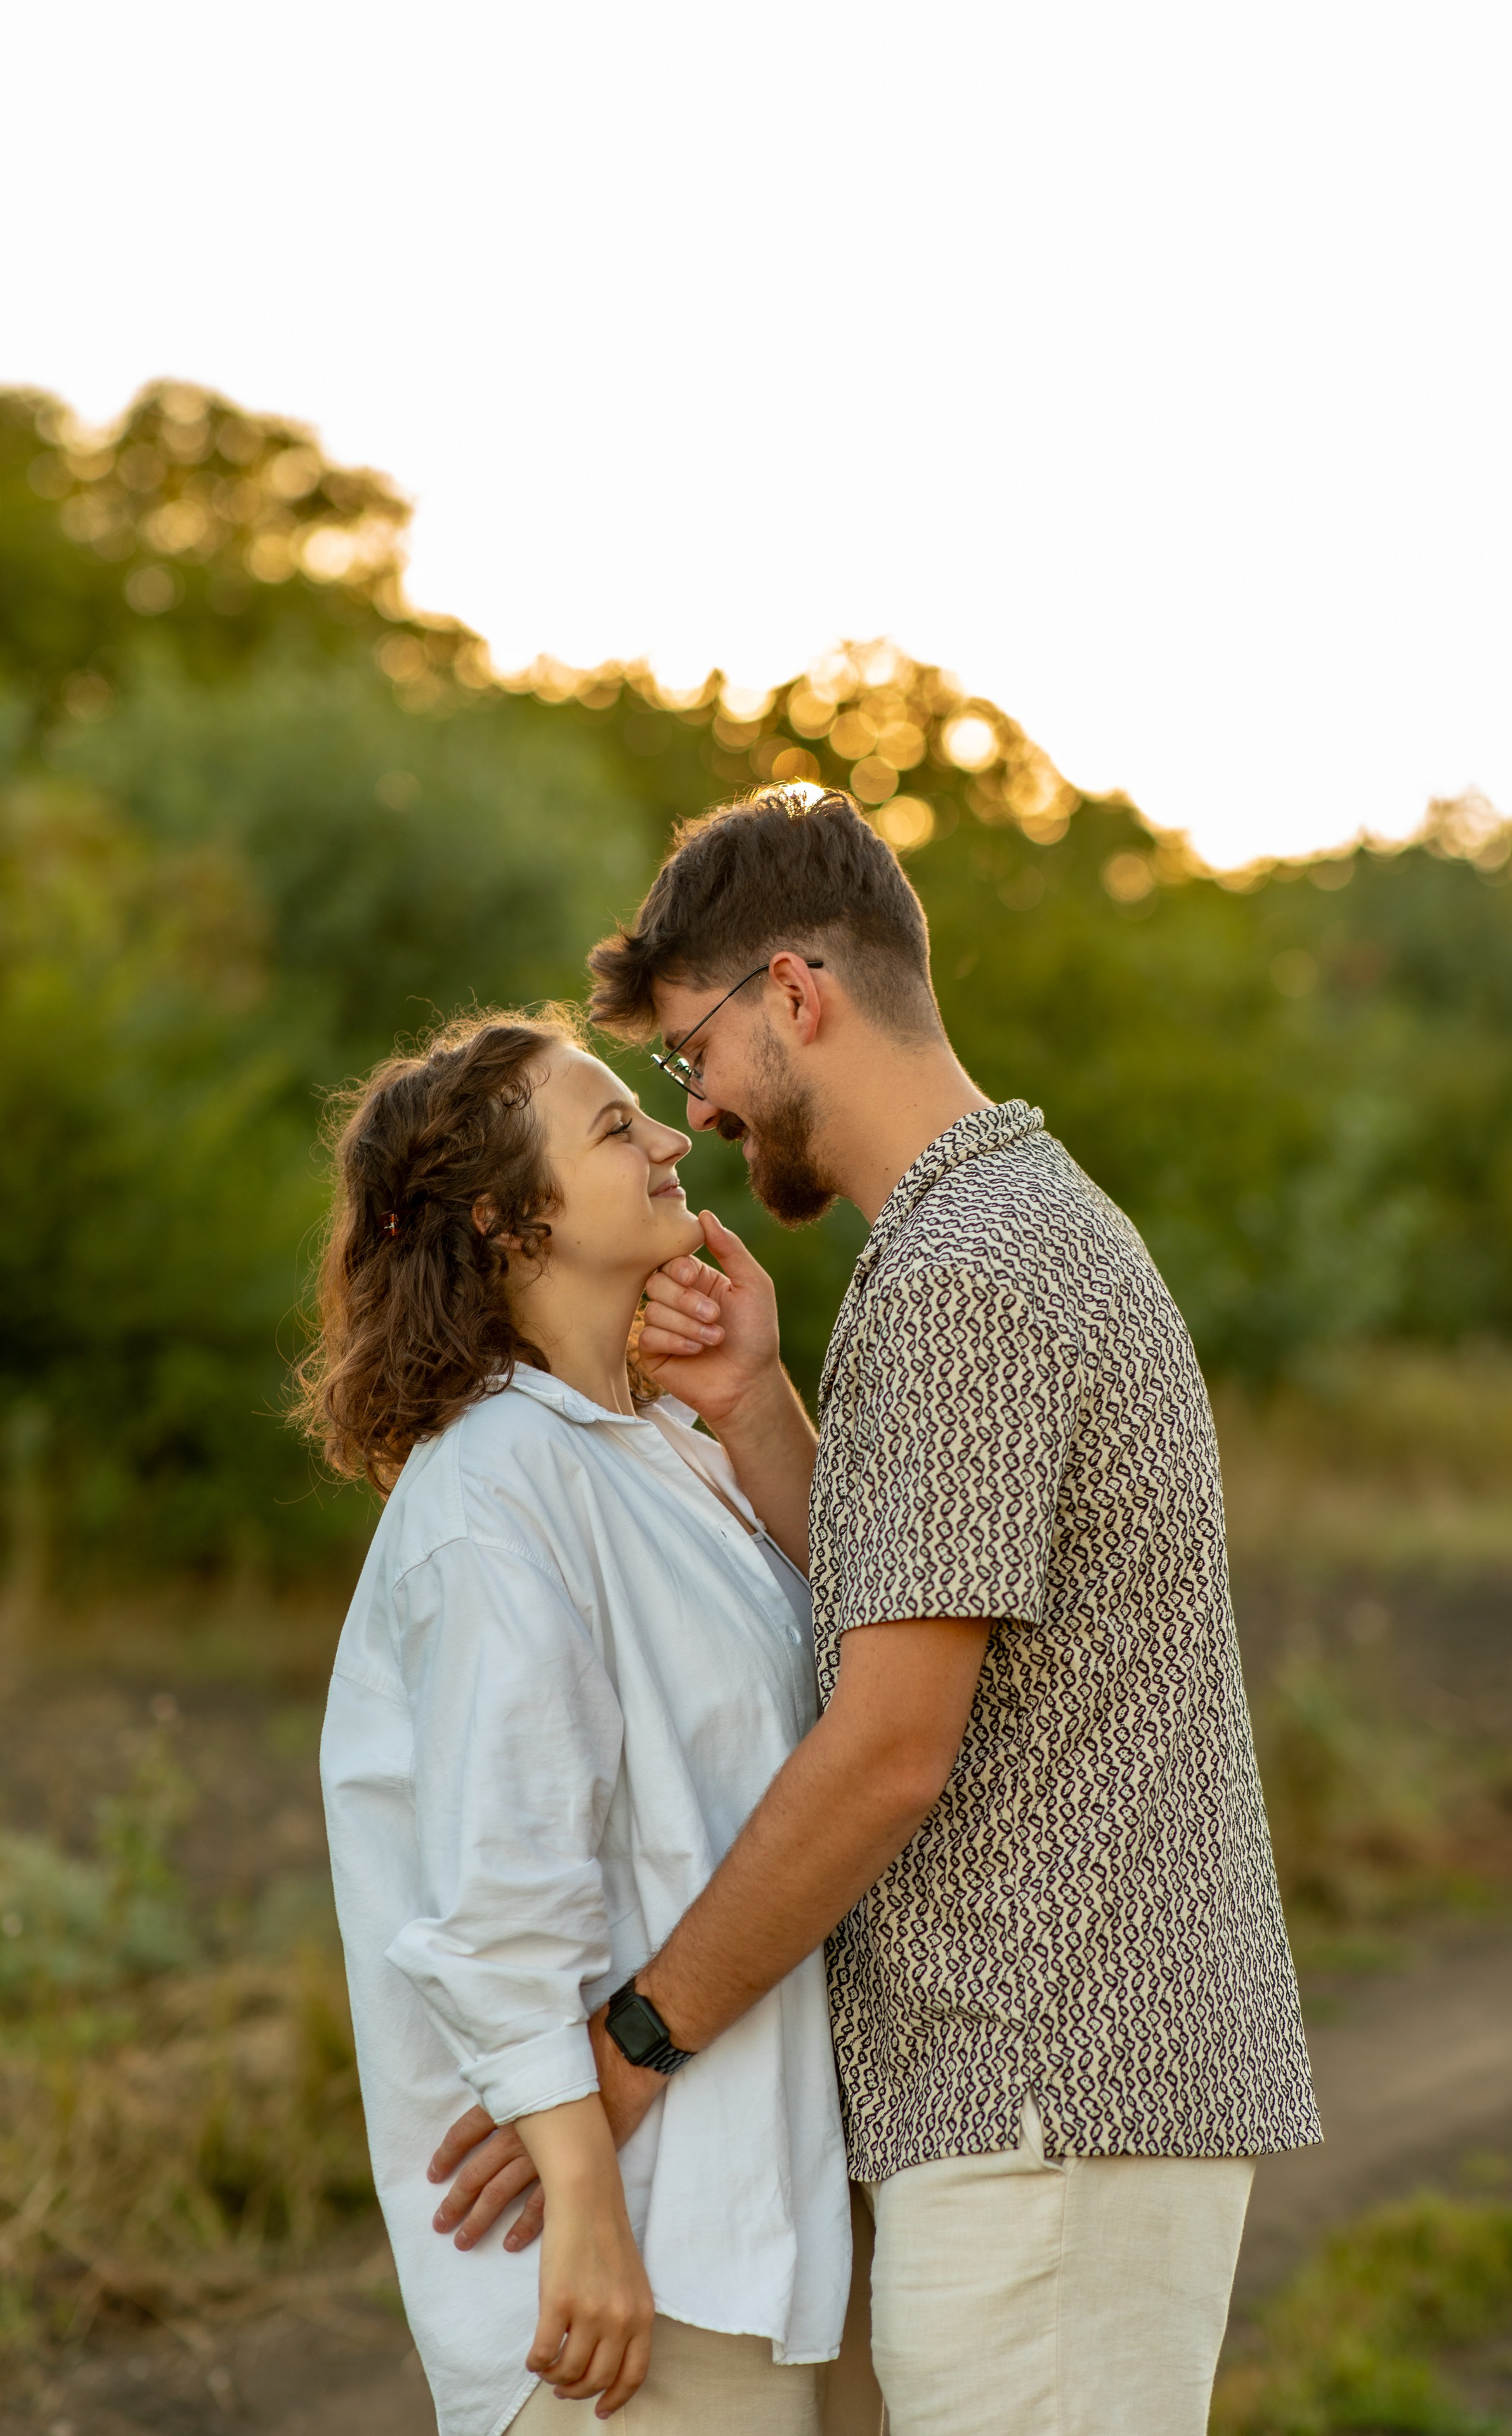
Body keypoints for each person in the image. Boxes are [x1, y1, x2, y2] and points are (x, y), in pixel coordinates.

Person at [431, 787, 1320, 2436]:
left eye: (692, 1048)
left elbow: (890, 1749)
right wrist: (762, 1411)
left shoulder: (964, 1278)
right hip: (1046, 2102)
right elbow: (916, 1606)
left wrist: (624, 2052)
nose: (690, 1107)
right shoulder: (998, 1228)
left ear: (796, 993)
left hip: (1046, 2088)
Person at [299, 1008, 853, 2436]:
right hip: (619, 2285)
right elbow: (498, 1900)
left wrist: (752, 1401)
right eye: (617, 1128)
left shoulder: (662, 1456)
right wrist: (589, 2219)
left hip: (751, 2228)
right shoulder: (494, 1490)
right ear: (506, 1223)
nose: (673, 1138)